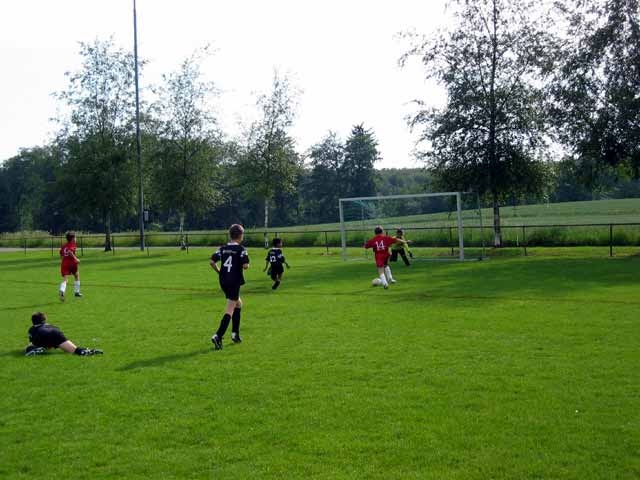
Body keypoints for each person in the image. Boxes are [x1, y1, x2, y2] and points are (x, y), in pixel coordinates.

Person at [210, 224, 250, 350]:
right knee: (230, 309)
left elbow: (212, 262)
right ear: (240, 235)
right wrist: (244, 264)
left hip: (224, 281)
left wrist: (219, 271)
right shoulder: (241, 249)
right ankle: (218, 335)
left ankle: (235, 334)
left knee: (238, 304)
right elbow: (245, 266)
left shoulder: (223, 248)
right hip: (234, 281)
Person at [25, 312, 103, 356]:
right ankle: (89, 351)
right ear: (44, 320)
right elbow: (56, 331)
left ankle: (37, 349)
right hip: (55, 332)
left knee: (29, 346)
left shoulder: (31, 329)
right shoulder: (52, 326)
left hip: (42, 336)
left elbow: (33, 341)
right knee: (74, 350)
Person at [59, 231, 82, 301]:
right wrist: (76, 259)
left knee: (65, 279)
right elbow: (70, 252)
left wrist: (63, 260)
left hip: (64, 264)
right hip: (72, 263)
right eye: (75, 237)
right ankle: (77, 292)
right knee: (77, 275)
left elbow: (61, 253)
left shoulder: (64, 246)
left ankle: (62, 290)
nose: (76, 239)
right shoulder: (73, 244)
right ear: (72, 239)